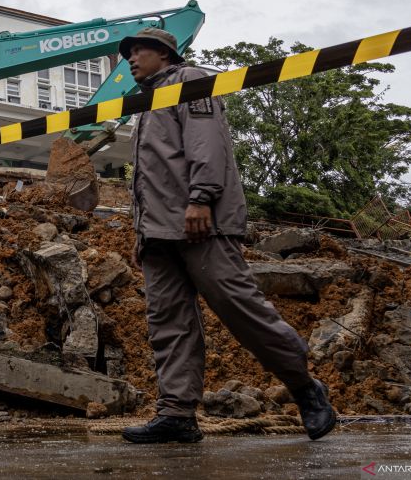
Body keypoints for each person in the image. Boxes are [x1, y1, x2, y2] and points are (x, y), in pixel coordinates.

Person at [118, 27, 336, 443]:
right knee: (168, 322)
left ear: (164, 54)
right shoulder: (146, 104)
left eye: (139, 50)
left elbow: (206, 144)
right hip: (158, 233)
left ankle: (304, 387)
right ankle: (178, 413)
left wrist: (201, 198)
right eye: (128, 53)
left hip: (200, 223)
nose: (131, 58)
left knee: (239, 308)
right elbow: (150, 176)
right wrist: (140, 231)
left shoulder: (189, 82)